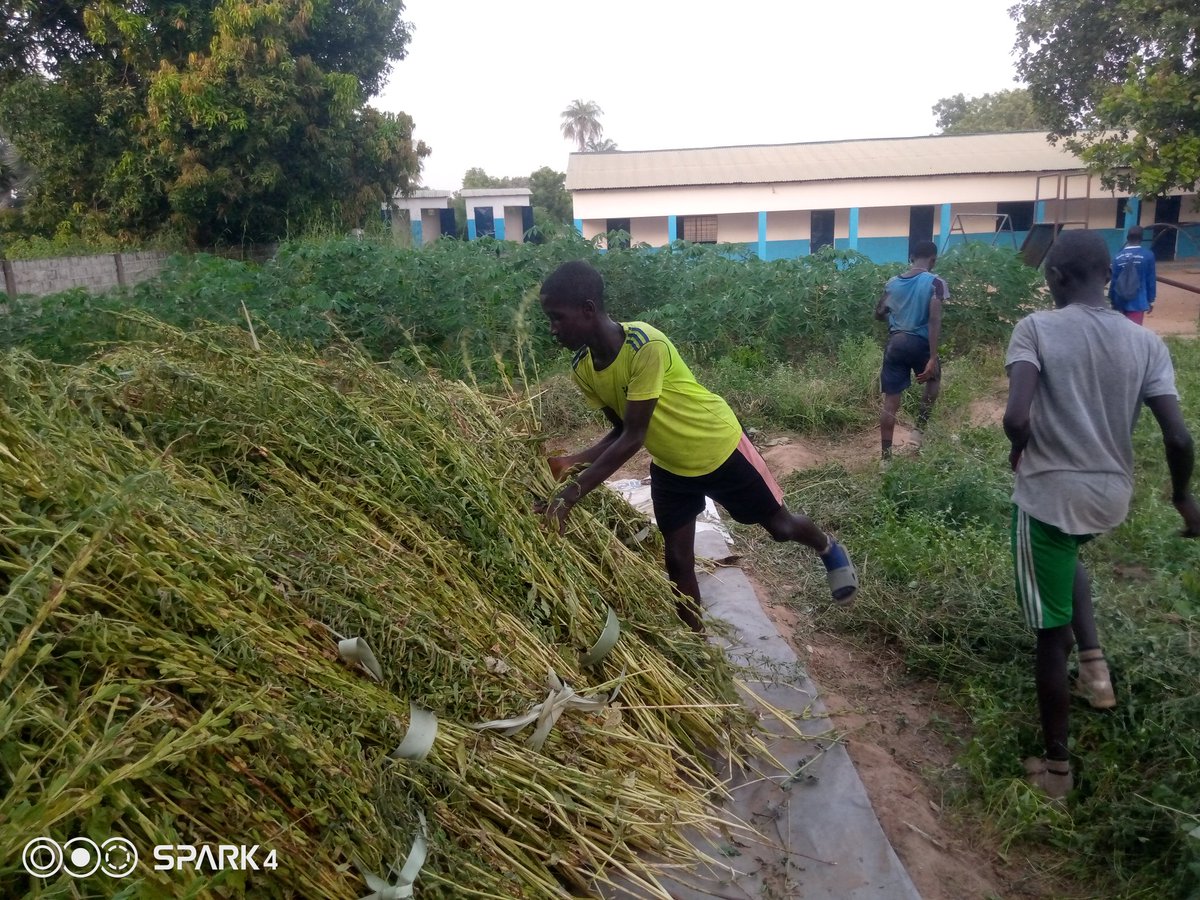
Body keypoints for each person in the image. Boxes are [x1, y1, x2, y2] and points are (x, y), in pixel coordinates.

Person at [539, 260, 857, 632]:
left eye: (557, 318)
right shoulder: (582, 368)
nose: (553, 329)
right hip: (672, 467)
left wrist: (569, 497)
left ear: (588, 309)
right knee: (677, 560)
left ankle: (827, 547)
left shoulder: (645, 345)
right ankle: (698, 646)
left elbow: (634, 437)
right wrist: (570, 461)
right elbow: (621, 428)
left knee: (781, 527)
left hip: (718, 448)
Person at [1003, 229, 1199, 800]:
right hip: (1109, 497)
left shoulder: (1036, 328)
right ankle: (1096, 668)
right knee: (1069, 554)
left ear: (1055, 278)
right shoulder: (1147, 344)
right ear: (1108, 277)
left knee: (1047, 636)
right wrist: (1183, 497)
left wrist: (1021, 448)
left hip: (1048, 493)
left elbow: (1017, 417)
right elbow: (1179, 437)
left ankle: (1056, 768)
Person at [874, 240, 947, 459]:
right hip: (920, 344)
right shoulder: (936, 283)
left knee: (890, 401)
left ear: (911, 258)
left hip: (896, 343)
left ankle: (885, 459)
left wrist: (893, 310)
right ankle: (918, 432)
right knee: (933, 382)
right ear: (933, 260)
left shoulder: (892, 283)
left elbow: (878, 313)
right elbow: (934, 319)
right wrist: (932, 356)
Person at [1109, 226, 1157, 325]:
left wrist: (1112, 300)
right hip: (1138, 302)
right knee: (1135, 333)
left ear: (1127, 238)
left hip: (1120, 302)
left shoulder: (1118, 257)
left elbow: (1114, 281)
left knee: (1121, 332)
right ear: (1141, 239)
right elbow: (1150, 280)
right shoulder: (1148, 255)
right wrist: (1151, 300)